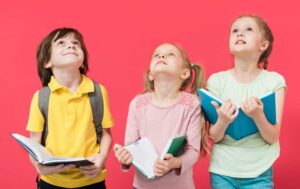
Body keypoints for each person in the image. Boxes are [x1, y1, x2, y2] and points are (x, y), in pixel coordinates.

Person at [26, 28, 113, 189]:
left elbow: (106, 135)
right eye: (61, 43)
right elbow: (34, 142)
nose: (71, 46)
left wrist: (102, 157)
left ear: (82, 60)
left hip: (92, 180)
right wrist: (38, 166)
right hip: (52, 181)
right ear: (47, 61)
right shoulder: (41, 97)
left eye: (76, 43)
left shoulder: (98, 91)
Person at [114, 43, 208, 189]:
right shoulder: (137, 104)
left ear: (184, 73)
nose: (161, 56)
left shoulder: (191, 104)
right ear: (151, 75)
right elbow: (131, 147)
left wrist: (174, 163)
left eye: (171, 54)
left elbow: (193, 151)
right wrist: (125, 158)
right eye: (156, 55)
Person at [207, 15, 286, 188]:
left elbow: (272, 136)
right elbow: (214, 137)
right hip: (223, 171)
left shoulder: (274, 81)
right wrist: (223, 120)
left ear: (263, 45)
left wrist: (258, 116)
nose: (240, 33)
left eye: (248, 29)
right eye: (235, 30)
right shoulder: (216, 81)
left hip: (260, 171)